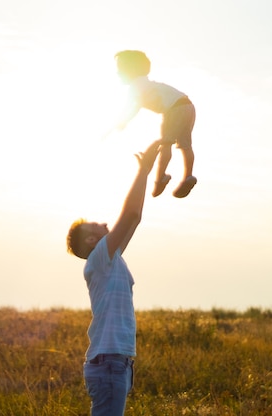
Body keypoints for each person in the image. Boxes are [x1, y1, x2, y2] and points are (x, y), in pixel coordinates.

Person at [66, 139, 161, 415]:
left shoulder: (111, 258)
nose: (106, 223)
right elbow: (129, 213)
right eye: (99, 224)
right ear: (94, 239)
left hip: (117, 363)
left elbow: (135, 217)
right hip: (109, 364)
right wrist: (143, 171)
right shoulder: (99, 258)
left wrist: (147, 173)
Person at [114, 50, 197, 198]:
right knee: (185, 145)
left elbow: (133, 107)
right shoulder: (146, 83)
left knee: (166, 143)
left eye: (120, 69)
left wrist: (122, 122)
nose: (118, 73)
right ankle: (188, 175)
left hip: (174, 109)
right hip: (188, 106)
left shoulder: (135, 86)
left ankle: (160, 178)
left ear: (131, 70)